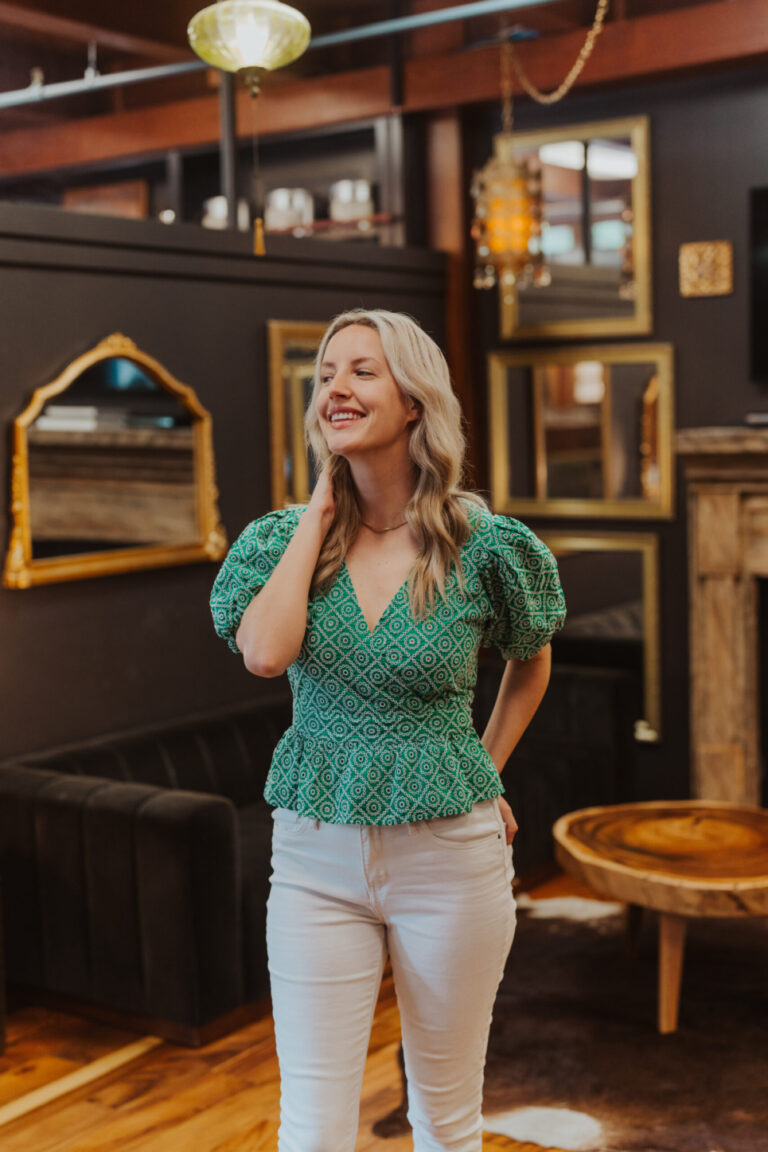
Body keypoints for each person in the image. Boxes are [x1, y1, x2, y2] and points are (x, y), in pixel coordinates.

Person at [210, 308, 566, 1152]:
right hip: (314, 856)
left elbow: (532, 660)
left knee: (444, 1120)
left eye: (362, 371)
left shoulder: (484, 547)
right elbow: (265, 653)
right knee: (314, 1126)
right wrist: (314, 518)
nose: (336, 387)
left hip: (450, 856)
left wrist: (482, 767)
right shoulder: (277, 545)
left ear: (414, 401)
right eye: (327, 373)